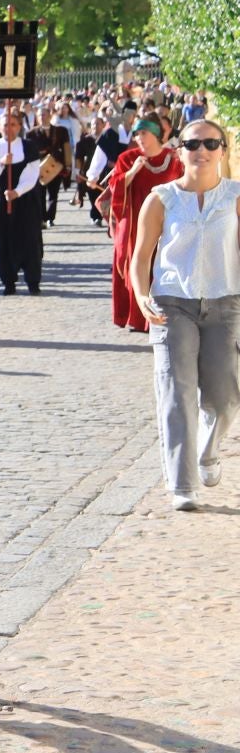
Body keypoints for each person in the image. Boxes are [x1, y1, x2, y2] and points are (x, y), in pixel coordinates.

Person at [129, 119, 240, 511]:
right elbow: (140, 257)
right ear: (181, 151)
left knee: (226, 398)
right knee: (176, 393)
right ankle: (183, 484)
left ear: (223, 151)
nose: (203, 150)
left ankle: (208, 452)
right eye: (193, 144)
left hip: (225, 304)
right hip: (172, 305)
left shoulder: (235, 197)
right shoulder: (161, 199)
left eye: (212, 143)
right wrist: (142, 294)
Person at [107, 120, 184, 332]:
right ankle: (140, 317)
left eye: (144, 133)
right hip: (135, 223)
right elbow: (115, 187)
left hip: (168, 220)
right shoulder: (127, 158)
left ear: (156, 134)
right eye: (137, 134)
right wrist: (132, 172)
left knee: (164, 264)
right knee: (139, 263)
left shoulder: (174, 159)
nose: (139, 138)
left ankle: (167, 313)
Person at [0, 111, 48, 295]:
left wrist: (16, 192)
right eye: (5, 125)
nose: (8, 129)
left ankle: (33, 280)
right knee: (3, 241)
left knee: (29, 239)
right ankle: (8, 281)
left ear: (19, 127)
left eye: (13, 125)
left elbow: (32, 174)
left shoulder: (28, 147)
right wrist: (1, 163)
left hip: (25, 200)